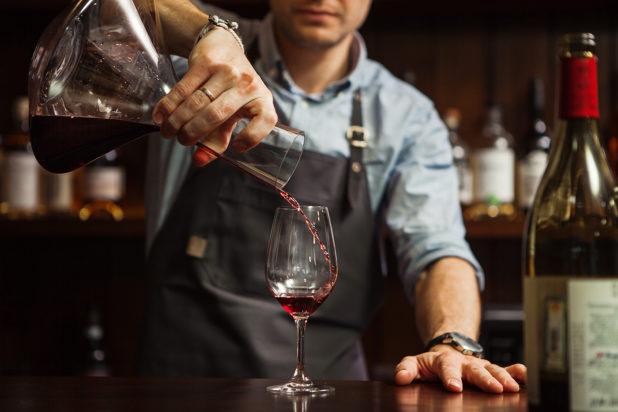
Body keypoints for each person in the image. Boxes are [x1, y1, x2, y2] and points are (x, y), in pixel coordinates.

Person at [138, 0, 526, 393]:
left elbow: (437, 250)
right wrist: (208, 32)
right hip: (183, 386)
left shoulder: (407, 115)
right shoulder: (192, 58)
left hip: (331, 393)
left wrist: (452, 343)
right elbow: (112, 9)